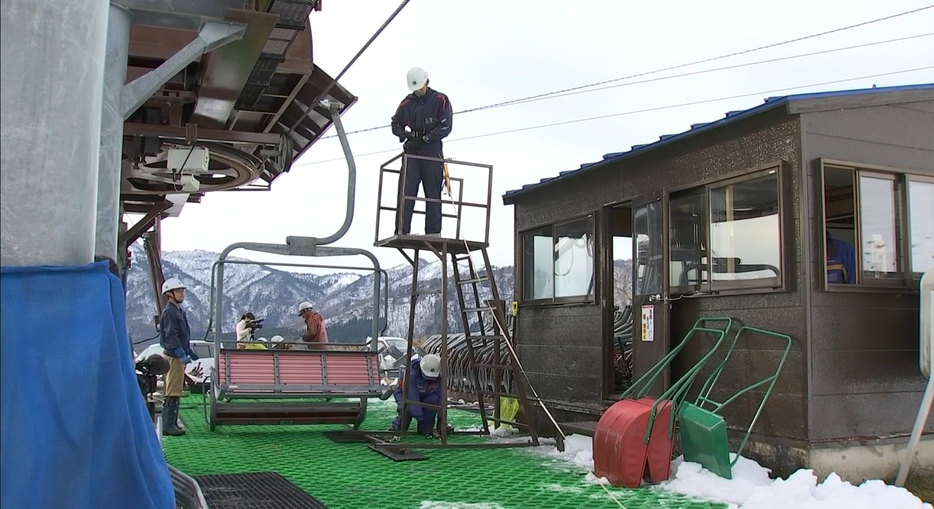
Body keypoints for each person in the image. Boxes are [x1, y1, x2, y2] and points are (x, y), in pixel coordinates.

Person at [390, 66, 453, 237]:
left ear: (427, 82)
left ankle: (433, 232)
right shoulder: (407, 103)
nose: (418, 91)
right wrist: (406, 135)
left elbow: (446, 126)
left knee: (433, 192)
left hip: (432, 152)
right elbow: (396, 124)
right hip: (412, 153)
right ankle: (402, 230)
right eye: (415, 89)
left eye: (420, 88)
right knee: (406, 191)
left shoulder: (440, 100)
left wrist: (427, 138)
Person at [159, 277, 197, 436]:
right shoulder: (170, 312)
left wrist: (188, 350)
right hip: (173, 356)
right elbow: (171, 336)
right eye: (178, 291)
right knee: (172, 390)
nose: (182, 293)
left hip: (177, 355)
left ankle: (172, 422)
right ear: (170, 294)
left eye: (182, 290)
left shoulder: (178, 311)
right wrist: (181, 352)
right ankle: (168, 425)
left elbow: (182, 335)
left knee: (176, 389)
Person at [390, 353, 443, 437]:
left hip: (425, 395)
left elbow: (441, 397)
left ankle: (426, 428)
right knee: (406, 409)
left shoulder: (438, 377)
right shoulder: (411, 374)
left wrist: (441, 417)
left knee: (434, 399)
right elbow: (412, 398)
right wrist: (420, 419)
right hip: (404, 394)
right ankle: (397, 428)